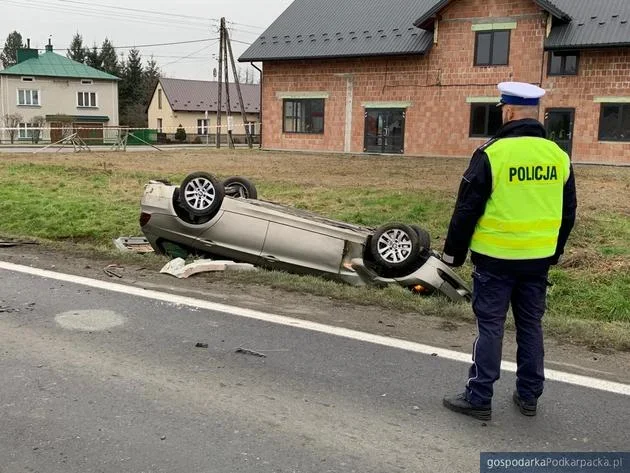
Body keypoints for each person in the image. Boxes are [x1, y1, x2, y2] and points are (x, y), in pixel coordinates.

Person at [441, 82, 577, 421]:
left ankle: (479, 397)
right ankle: (529, 396)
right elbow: (568, 212)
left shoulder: (492, 153)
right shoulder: (558, 156)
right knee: (531, 325)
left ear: (509, 112)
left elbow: (466, 209)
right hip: (538, 260)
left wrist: (452, 255)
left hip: (495, 258)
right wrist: (554, 251)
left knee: (491, 327)